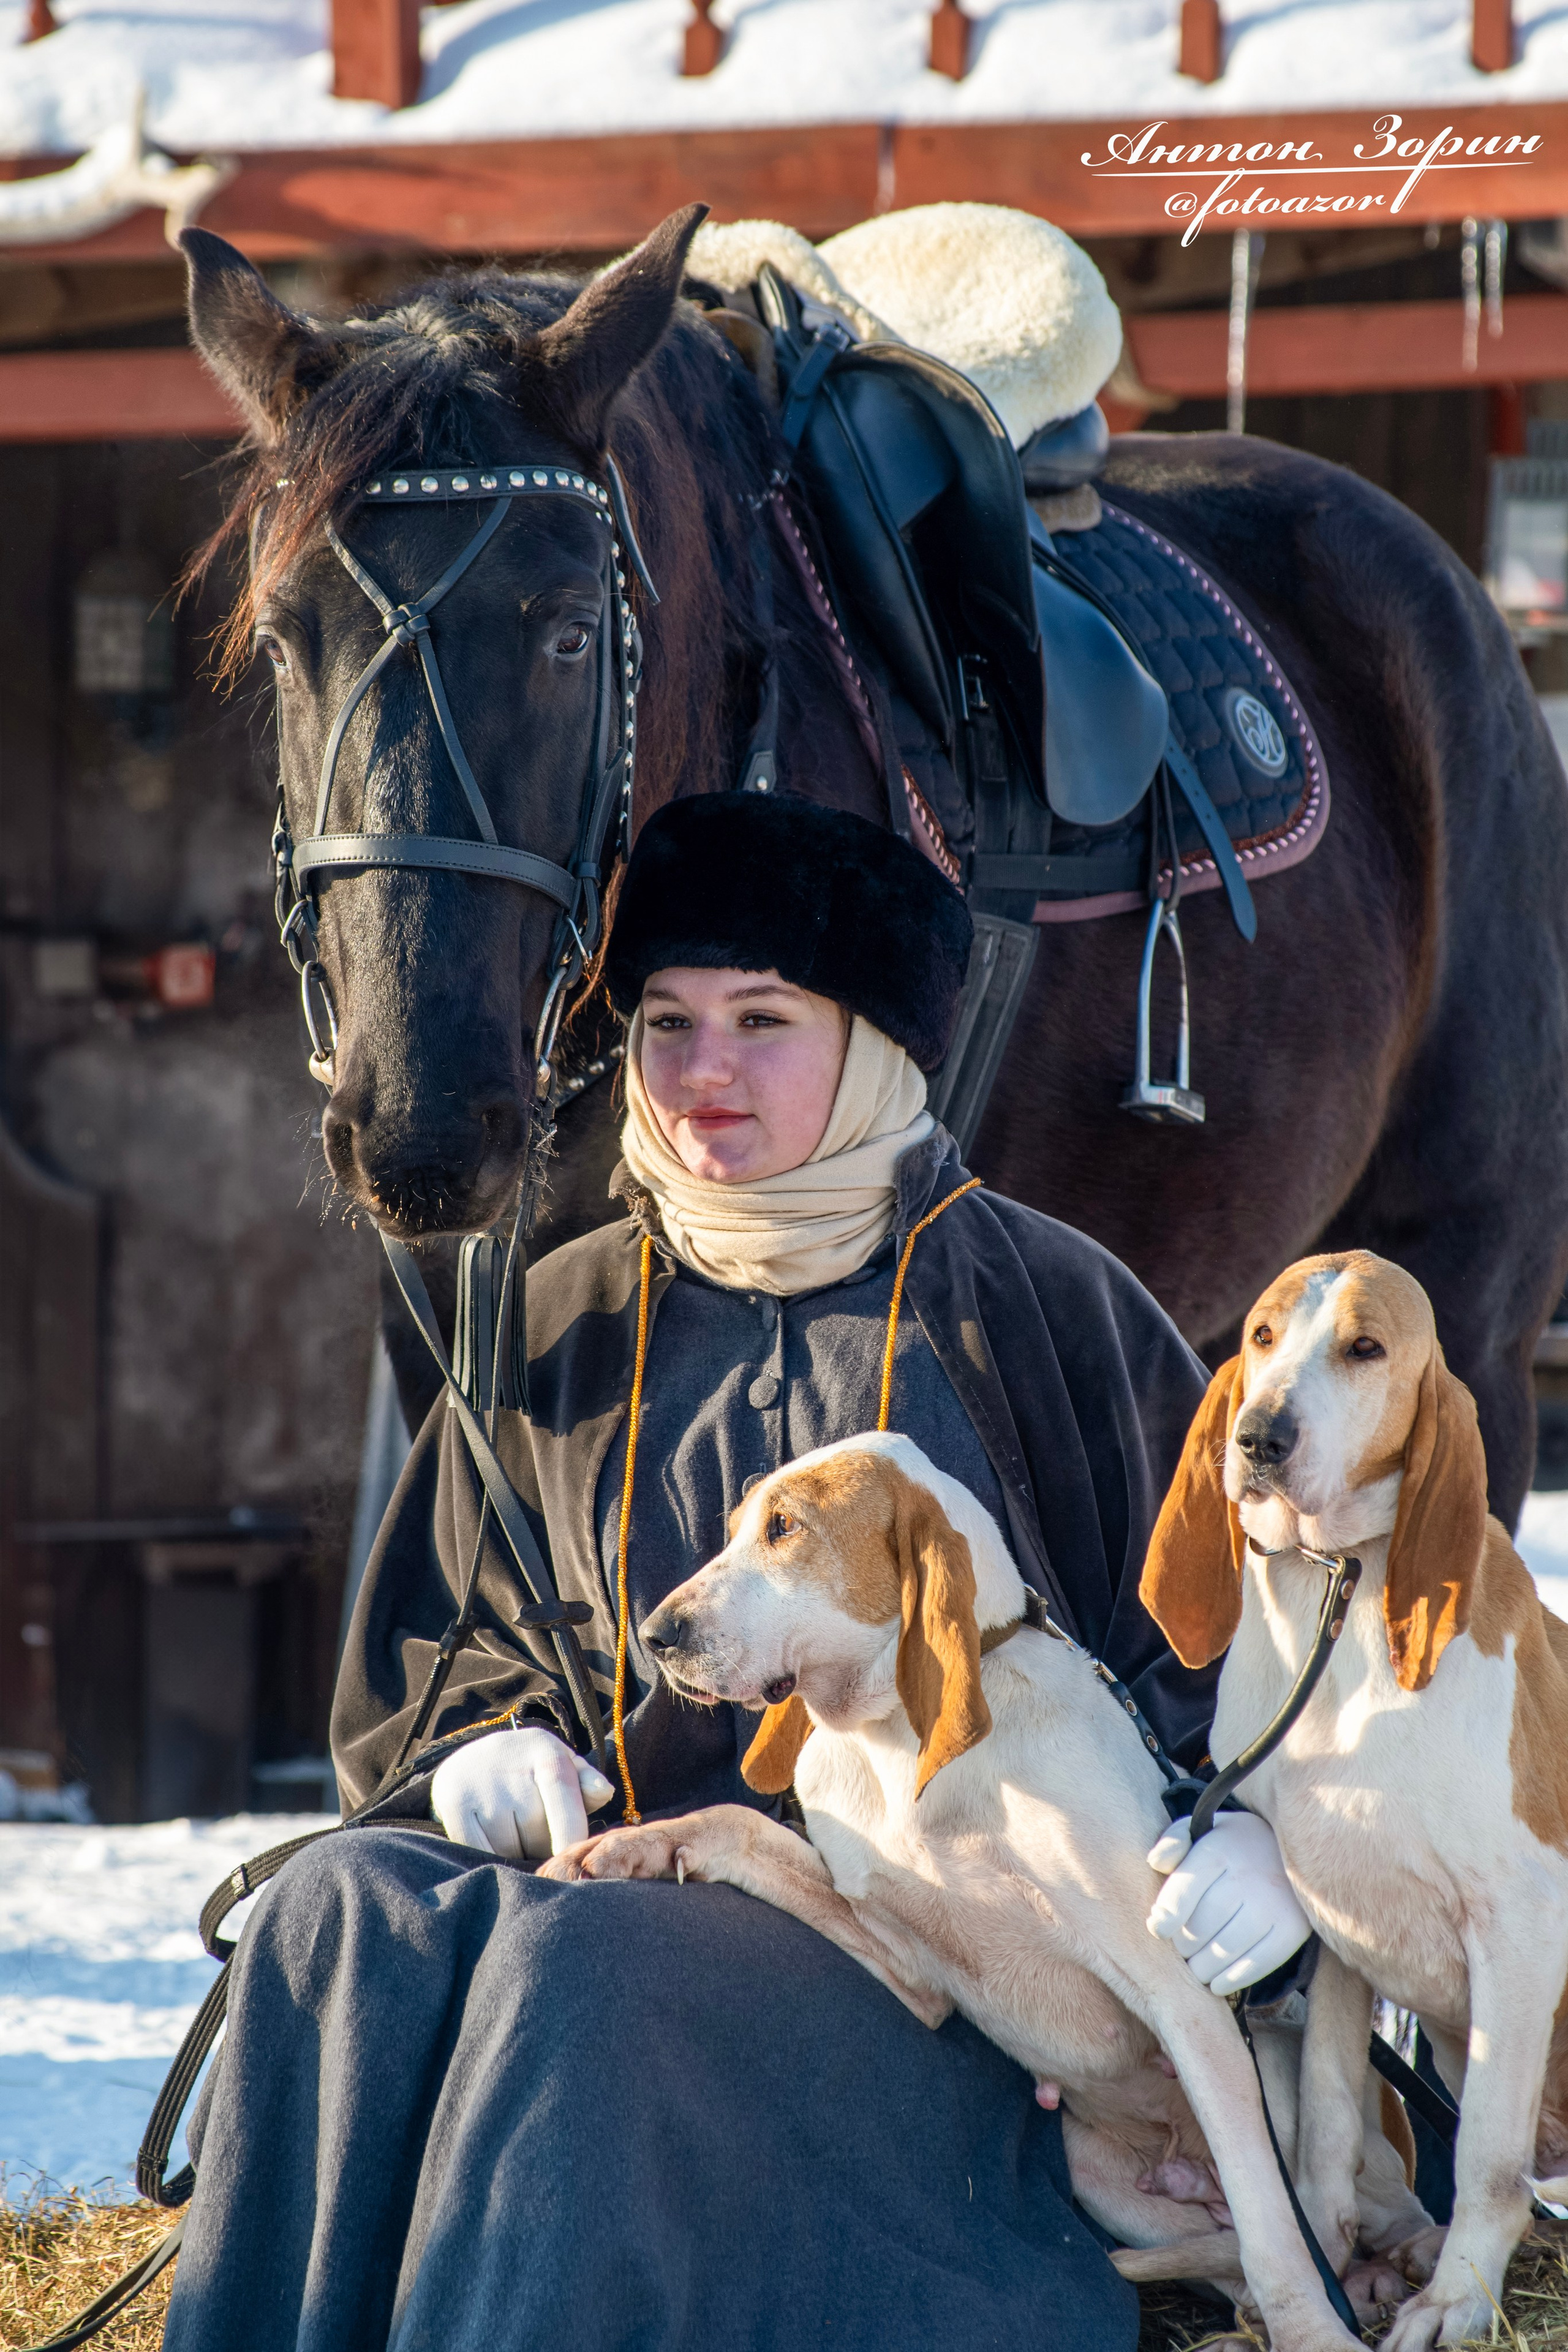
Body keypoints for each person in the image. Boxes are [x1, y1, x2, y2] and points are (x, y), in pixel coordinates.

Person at [162, 793, 1305, 2352]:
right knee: (338, 1909)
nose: (703, 1073)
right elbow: (450, 1648)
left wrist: (1253, 1838)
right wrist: (469, 1761)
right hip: (594, 1902)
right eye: (666, 1021)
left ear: (874, 1046)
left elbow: (1253, 1639)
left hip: (921, 1967)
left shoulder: (1040, 1303)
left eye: (763, 1021)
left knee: (592, 1968)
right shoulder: (556, 1313)